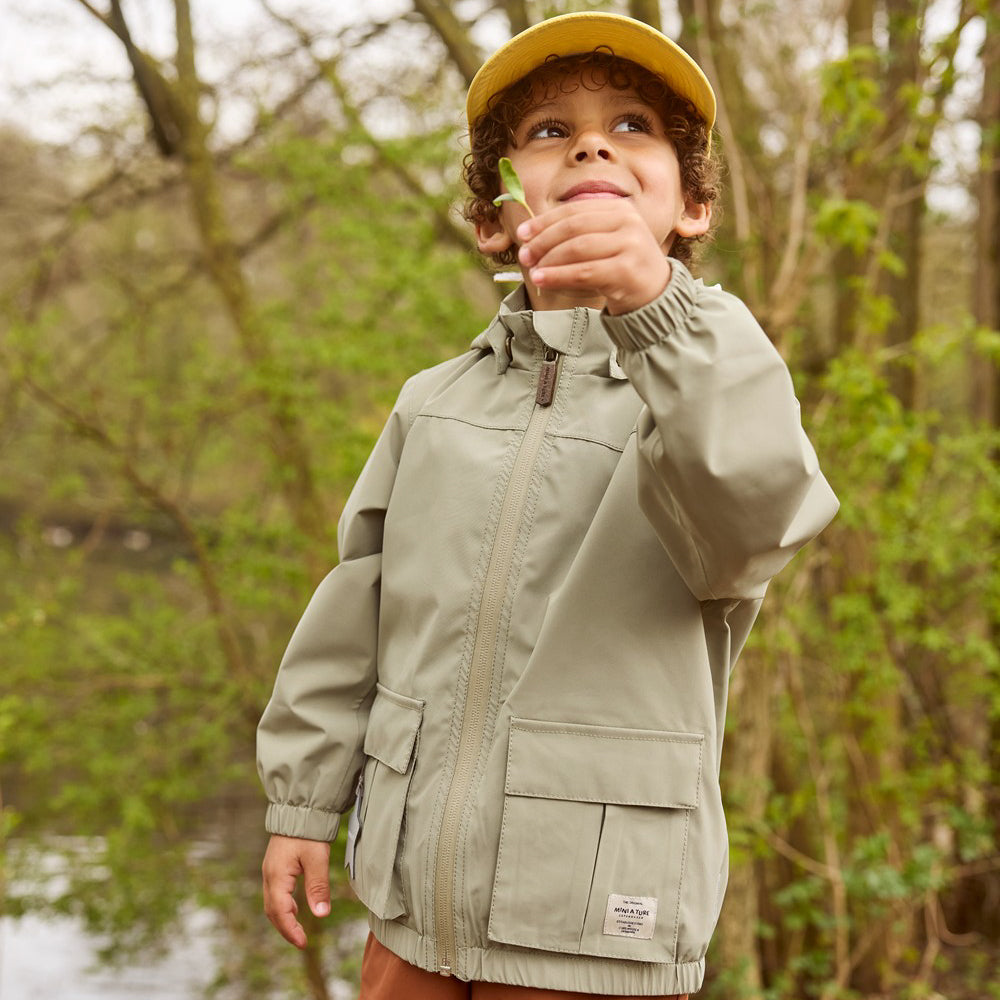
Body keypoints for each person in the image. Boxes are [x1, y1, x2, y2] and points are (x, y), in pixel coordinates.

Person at [257, 11, 839, 999]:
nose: (590, 143)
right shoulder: (431, 401)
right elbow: (356, 605)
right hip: (410, 905)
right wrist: (303, 802)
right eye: (546, 132)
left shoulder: (716, 373)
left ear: (690, 207)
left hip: (596, 923)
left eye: (632, 126)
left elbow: (751, 520)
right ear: (494, 218)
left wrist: (653, 307)